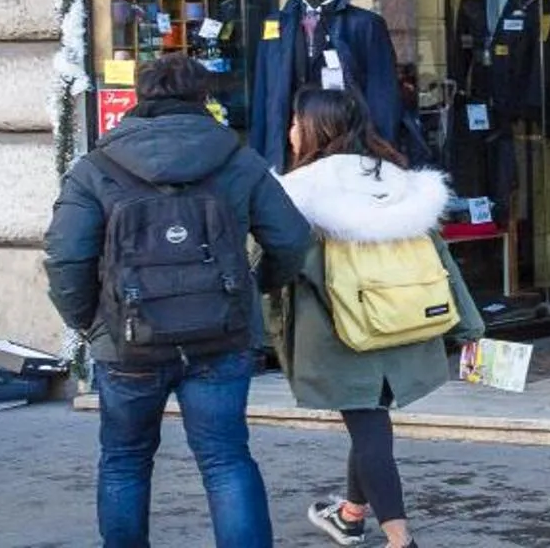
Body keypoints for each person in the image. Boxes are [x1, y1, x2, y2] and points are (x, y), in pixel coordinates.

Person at [43, 49, 314, 548]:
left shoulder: (97, 165)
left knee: (124, 459)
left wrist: (92, 323)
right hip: (220, 334)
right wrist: (258, 288)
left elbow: (65, 257)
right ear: (202, 98)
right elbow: (292, 240)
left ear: (139, 97)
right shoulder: (238, 159)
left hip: (128, 340)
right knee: (226, 459)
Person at [275, 87, 485, 548]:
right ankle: (350, 516)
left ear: (315, 128)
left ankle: (399, 538)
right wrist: (469, 325)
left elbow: (280, 265)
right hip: (407, 322)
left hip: (346, 332)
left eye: (296, 120)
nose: (290, 130)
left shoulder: (300, 191)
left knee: (370, 430)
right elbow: (440, 257)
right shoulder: (398, 180)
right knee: (371, 421)